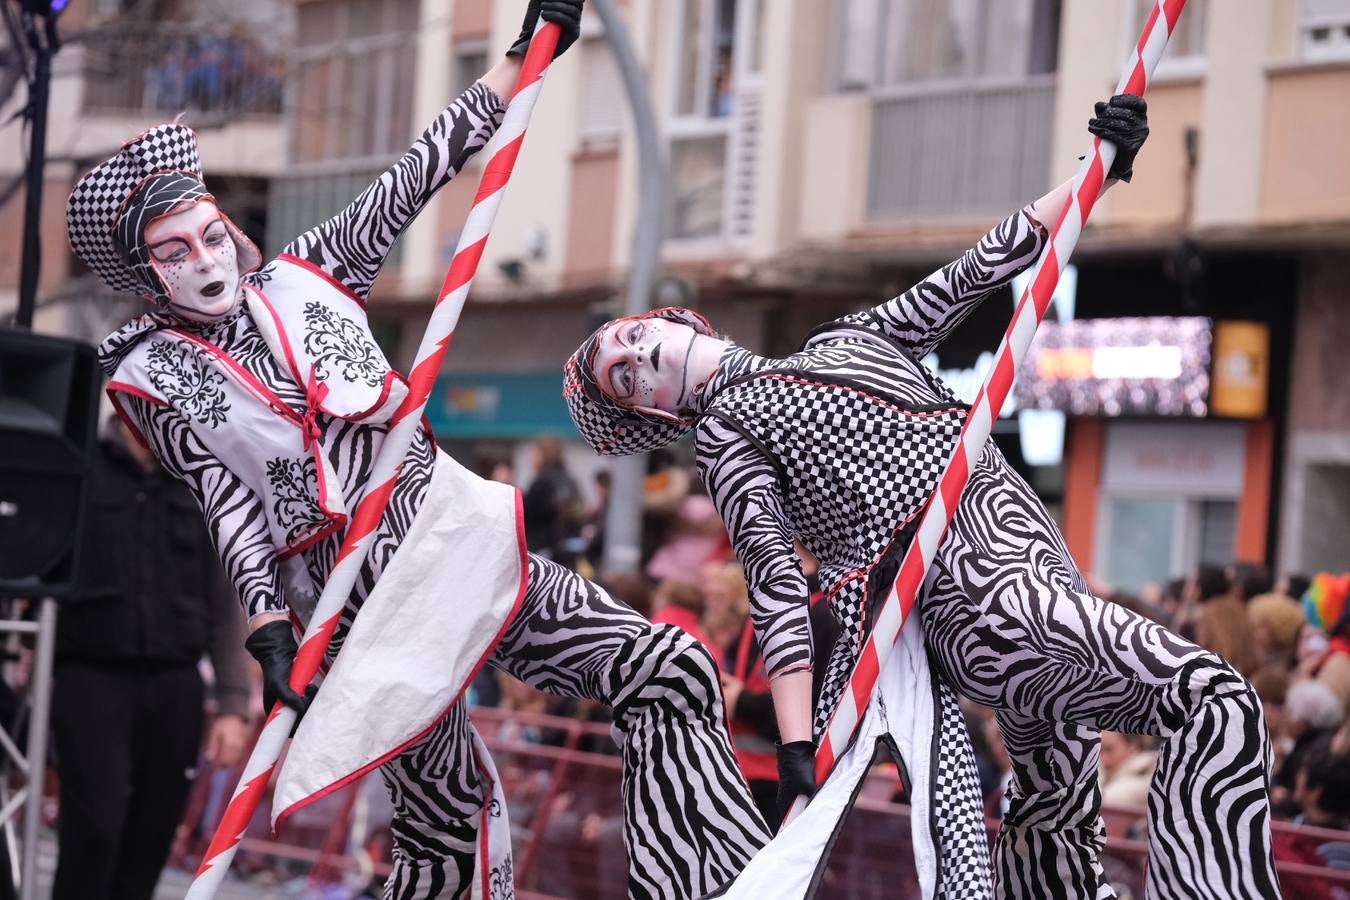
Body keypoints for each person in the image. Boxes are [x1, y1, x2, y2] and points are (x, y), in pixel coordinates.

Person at [65, 3, 768, 897]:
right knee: (445, 824)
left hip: (450, 533)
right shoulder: (154, 378)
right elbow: (227, 505)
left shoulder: (313, 271)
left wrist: (522, 59)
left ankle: (705, 881)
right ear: (145, 274)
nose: (205, 260)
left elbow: (420, 169)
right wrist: (268, 628)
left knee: (666, 667)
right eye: (174, 252)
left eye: (210, 234)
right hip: (355, 602)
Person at [564, 94, 1281, 898]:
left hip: (1034, 561)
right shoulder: (727, 435)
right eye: (625, 379)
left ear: (675, 320)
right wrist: (797, 744)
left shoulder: (846, 338)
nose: (638, 359)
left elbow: (977, 269)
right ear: (657, 413)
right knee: (1213, 698)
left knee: (1057, 815)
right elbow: (774, 588)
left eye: (632, 339)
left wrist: (1098, 172)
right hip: (978, 596)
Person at [51, 417, 252, 900]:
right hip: (91, 675)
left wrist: (232, 704)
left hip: (175, 683)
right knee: (95, 828)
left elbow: (223, 601)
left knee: (153, 832)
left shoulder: (199, 475)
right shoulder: (78, 463)